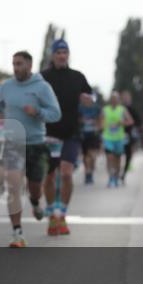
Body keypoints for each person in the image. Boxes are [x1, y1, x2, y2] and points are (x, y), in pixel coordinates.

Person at [0, 51, 61, 246]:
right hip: (12, 143)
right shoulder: (6, 87)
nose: (16, 67)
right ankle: (17, 232)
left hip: (35, 143)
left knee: (35, 186)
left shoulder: (42, 87)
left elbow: (56, 114)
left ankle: (35, 201)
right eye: (13, 63)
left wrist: (38, 111)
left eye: (20, 64)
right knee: (13, 186)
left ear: (29, 66)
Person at [41, 39, 94, 236]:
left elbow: (91, 96)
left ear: (68, 55)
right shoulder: (43, 77)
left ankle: (61, 214)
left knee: (66, 173)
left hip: (71, 132)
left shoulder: (77, 77)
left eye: (65, 52)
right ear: (52, 55)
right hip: (49, 133)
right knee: (50, 176)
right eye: (58, 52)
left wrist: (89, 100)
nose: (62, 55)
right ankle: (51, 214)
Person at [99, 91, 134, 187]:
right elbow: (100, 122)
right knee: (109, 157)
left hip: (119, 138)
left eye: (116, 99)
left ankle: (116, 177)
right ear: (110, 100)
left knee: (118, 159)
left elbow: (130, 121)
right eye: (112, 99)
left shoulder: (122, 109)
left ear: (118, 100)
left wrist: (122, 123)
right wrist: (102, 126)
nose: (114, 101)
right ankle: (110, 177)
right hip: (108, 137)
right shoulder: (105, 109)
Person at [78, 90, 102, 185]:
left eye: (88, 98)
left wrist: (98, 127)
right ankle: (87, 173)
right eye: (85, 98)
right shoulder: (79, 108)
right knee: (85, 156)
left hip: (94, 134)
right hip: (83, 134)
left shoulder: (97, 108)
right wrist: (81, 121)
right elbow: (76, 120)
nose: (86, 99)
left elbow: (101, 120)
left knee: (92, 155)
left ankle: (90, 171)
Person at [119, 90, 142, 185]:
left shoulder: (132, 110)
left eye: (127, 97)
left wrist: (130, 125)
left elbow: (139, 122)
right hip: (116, 136)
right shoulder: (117, 109)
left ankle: (123, 173)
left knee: (128, 155)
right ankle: (116, 172)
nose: (125, 99)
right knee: (117, 155)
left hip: (128, 136)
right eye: (124, 97)